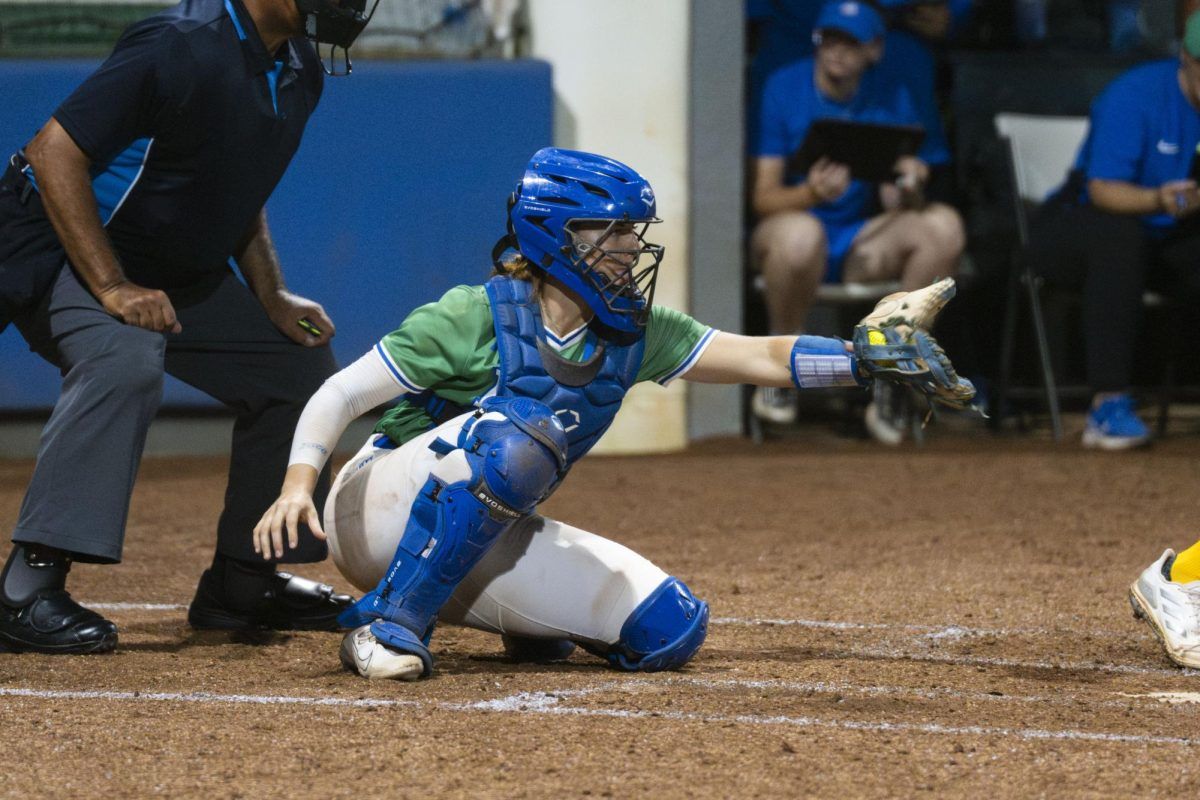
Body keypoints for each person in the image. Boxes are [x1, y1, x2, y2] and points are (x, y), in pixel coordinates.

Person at [252, 147, 976, 681]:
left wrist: (861, 356)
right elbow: (340, 395)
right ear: (553, 236)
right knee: (520, 436)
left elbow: (758, 356)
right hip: (376, 505)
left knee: (668, 631)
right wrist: (296, 485)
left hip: (483, 515)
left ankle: (520, 622)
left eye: (632, 232)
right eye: (610, 233)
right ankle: (389, 624)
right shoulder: (473, 315)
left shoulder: (634, 330)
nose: (630, 249)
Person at [0, 0, 379, 655]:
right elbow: (52, 154)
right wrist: (113, 287)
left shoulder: (298, 71)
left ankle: (242, 584)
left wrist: (271, 294)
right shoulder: (177, 43)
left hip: (167, 265)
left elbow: (236, 190)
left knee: (294, 371)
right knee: (124, 358)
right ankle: (25, 591)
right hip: (57, 239)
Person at [749, 0, 966, 441]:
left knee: (944, 226)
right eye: (830, 39)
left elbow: (897, 195)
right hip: (792, 236)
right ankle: (781, 365)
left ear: (875, 50)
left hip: (858, 243)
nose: (838, 52)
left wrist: (910, 185)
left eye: (851, 43)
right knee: (801, 234)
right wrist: (810, 193)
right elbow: (763, 199)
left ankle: (894, 370)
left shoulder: (892, 94)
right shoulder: (783, 87)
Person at [1029, 10, 1200, 450]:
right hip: (1078, 226)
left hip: (1166, 234)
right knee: (1119, 238)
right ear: (1185, 57)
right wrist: (1159, 199)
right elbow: (1103, 190)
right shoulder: (1136, 94)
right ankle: (1107, 406)